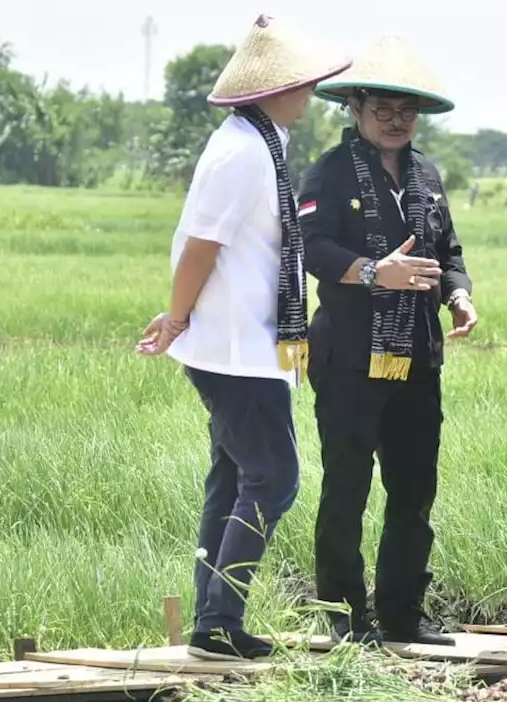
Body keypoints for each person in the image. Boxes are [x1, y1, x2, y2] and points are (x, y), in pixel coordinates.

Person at [135, 15, 351, 661]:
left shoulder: (258, 142)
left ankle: (213, 622)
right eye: (303, 86)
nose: (309, 98)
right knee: (274, 478)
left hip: (247, 344)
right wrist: (175, 316)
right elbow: (202, 244)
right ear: (276, 89)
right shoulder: (242, 151)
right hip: (234, 349)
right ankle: (218, 622)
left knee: (233, 481)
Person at [295, 36, 476, 647]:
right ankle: (346, 620)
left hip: (417, 356)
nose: (396, 120)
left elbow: (446, 248)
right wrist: (376, 271)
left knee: (414, 487)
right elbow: (312, 248)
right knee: (347, 484)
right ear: (354, 106)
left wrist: (458, 293)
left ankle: (403, 613)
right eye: (383, 109)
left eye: (407, 110)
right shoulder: (330, 170)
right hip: (349, 353)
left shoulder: (426, 172)